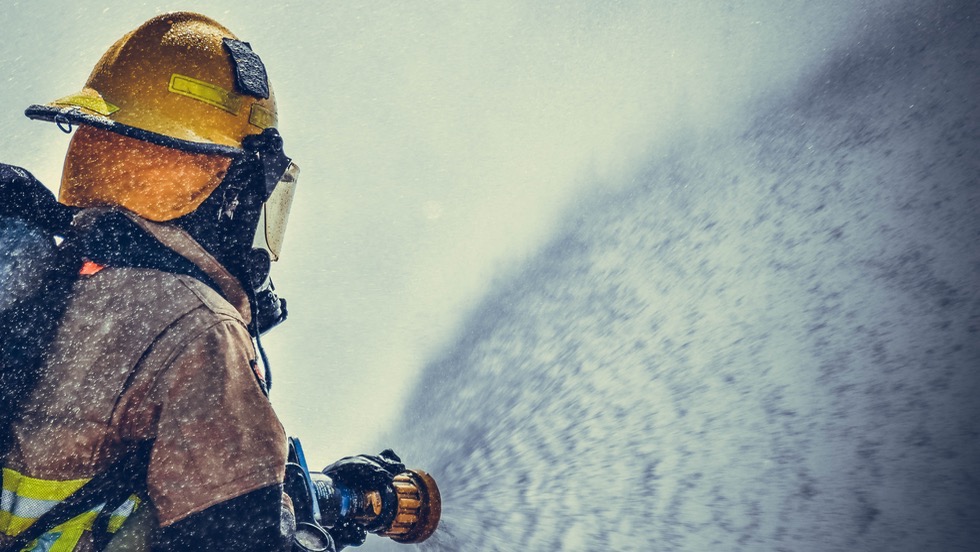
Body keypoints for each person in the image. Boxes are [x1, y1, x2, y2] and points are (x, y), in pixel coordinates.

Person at [0, 12, 401, 552]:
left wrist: (302, 498)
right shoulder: (195, 329)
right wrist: (309, 538)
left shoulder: (55, 278)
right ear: (228, 185)